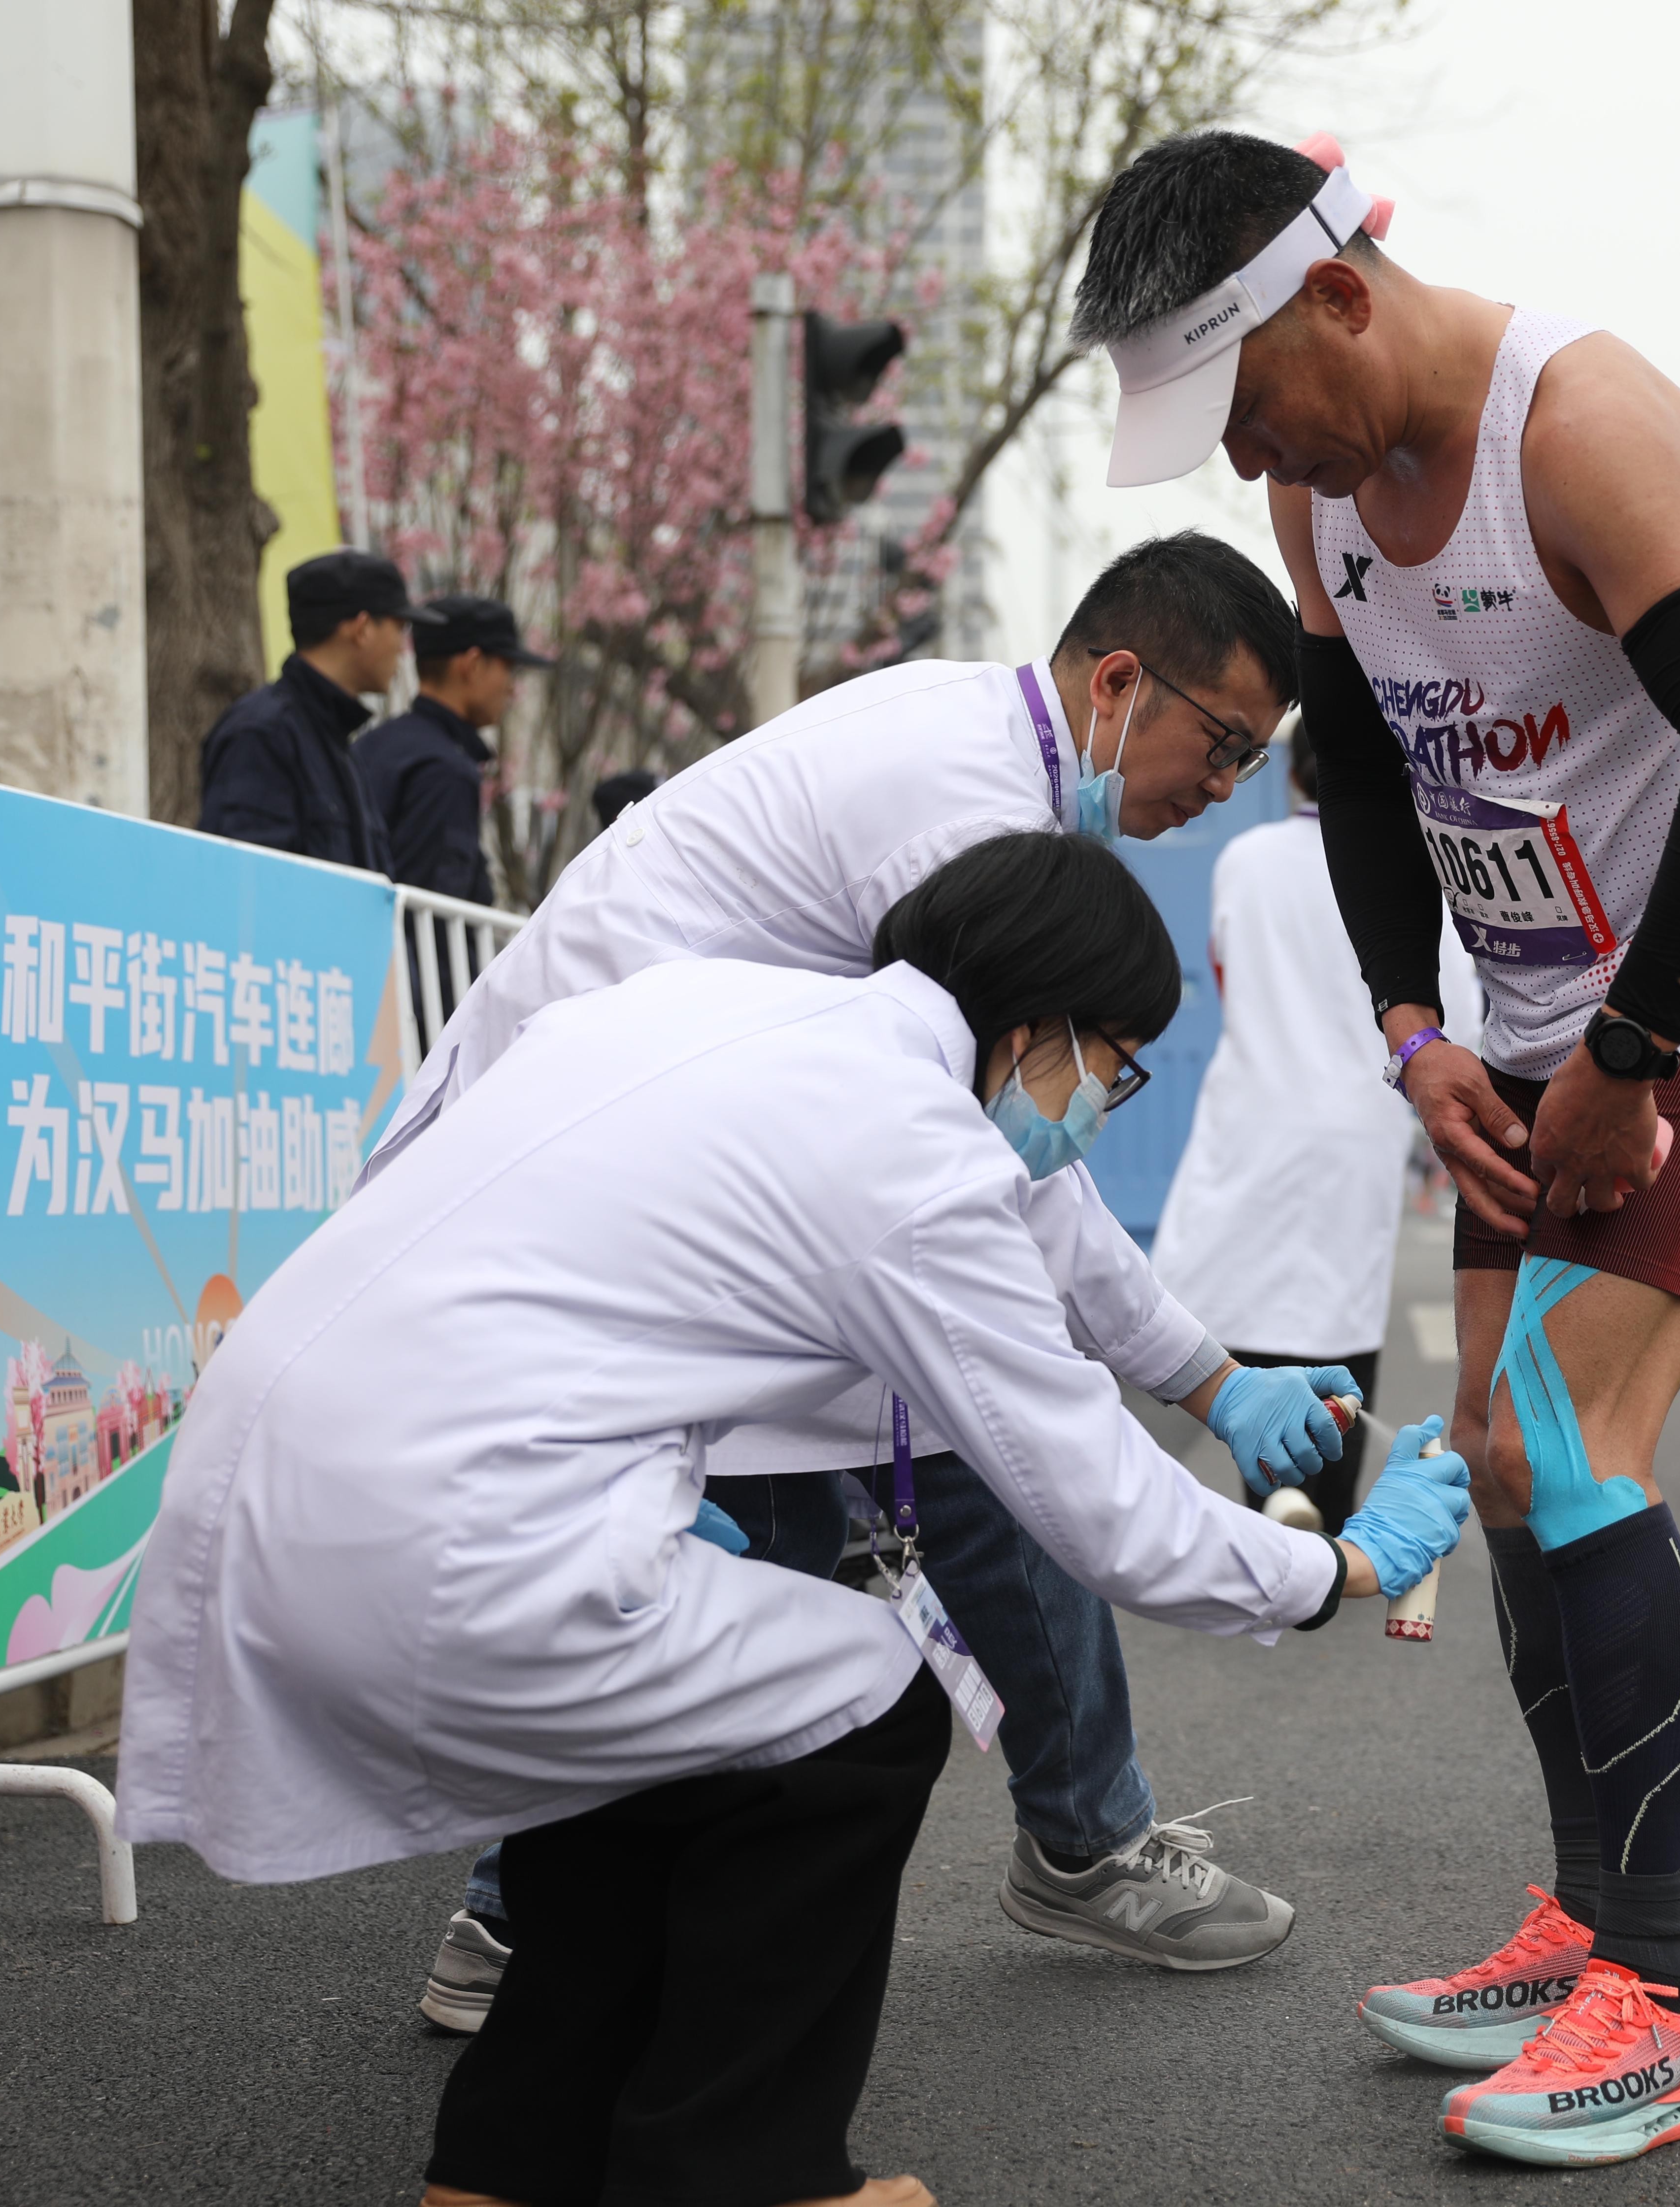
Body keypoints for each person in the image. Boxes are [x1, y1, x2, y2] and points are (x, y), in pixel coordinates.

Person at [116, 834, 1477, 2207]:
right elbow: (1101, 1505)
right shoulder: (911, 1151)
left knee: (651, 1764)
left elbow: (1033, 1238)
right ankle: (749, 2169)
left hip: (267, 1482)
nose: (1096, 1119)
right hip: (463, 1537)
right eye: (1112, 1075)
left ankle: (502, 2168)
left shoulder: (710, 1009)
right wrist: (1340, 1563)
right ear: (1043, 1024)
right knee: (862, 1704)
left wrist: (1217, 1379)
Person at [1078, 128, 1680, 2167]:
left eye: (1254, 401)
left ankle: (1670, 1998)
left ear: (1334, 298)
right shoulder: (1317, 487)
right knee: (1504, 1463)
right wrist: (1417, 1029)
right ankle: (1586, 1920)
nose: (1263, 455)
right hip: (1527, 1013)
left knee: (1573, 1431)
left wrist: (1632, 1045)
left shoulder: (1582, 433)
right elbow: (1358, 780)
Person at [379, 533, 1341, 2025]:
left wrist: (1198, 1376)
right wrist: (1268, 1474)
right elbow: (1018, 1171)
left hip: (660, 1173)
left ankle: (1076, 1833)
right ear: (1117, 681)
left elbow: (1008, 1153)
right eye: (1218, 746)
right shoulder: (956, 811)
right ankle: (529, 1924)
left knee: (942, 1466)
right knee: (768, 1576)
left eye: (1249, 764)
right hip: (611, 1198)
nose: (1220, 789)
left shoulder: (976, 748)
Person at [1151, 716, 1482, 1537]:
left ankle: (1263, 1486)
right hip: (1359, 1119)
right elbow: (1459, 1017)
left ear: (1293, 776)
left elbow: (1230, 975)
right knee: (1335, 1307)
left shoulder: (1246, 861)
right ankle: (1320, 1502)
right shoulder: (1424, 876)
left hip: (1255, 1106)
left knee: (1238, 1297)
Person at [198, 548, 420, 869]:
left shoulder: (333, 740)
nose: (402, 648)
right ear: (362, 628)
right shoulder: (264, 733)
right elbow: (246, 882)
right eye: (400, 628)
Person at [355, 593, 552, 903]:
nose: (512, 686)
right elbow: (433, 915)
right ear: (473, 664)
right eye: (508, 669)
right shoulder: (446, 770)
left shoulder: (375, 743)